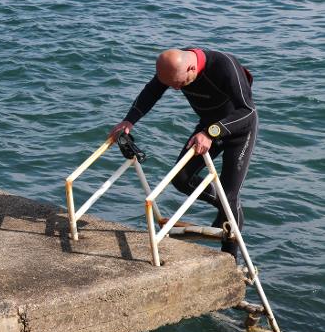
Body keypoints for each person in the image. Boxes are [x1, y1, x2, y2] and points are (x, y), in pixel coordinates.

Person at [108, 48, 257, 261]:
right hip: (207, 127)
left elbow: (247, 111)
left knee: (230, 195)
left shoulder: (224, 66)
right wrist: (129, 120)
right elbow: (152, 91)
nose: (176, 89)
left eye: (180, 83)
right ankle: (226, 208)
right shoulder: (173, 67)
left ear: (191, 68)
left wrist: (210, 133)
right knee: (181, 178)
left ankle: (229, 260)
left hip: (239, 131)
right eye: (172, 85)